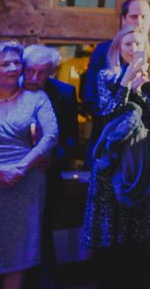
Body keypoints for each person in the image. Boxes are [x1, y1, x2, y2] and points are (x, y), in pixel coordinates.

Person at [81, 27, 150, 289]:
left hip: (139, 165)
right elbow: (107, 116)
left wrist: (139, 91)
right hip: (110, 166)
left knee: (136, 235)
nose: (132, 49)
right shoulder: (106, 76)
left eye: (137, 44)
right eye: (127, 44)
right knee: (110, 234)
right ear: (118, 48)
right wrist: (126, 83)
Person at [0, 42, 58, 289]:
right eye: (5, 63)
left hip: (25, 184)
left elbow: (51, 135)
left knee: (18, 253)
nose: (13, 68)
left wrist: (22, 167)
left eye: (16, 62)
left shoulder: (36, 97)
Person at [22, 45, 79, 289]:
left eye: (42, 73)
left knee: (42, 234)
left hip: (46, 176)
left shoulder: (64, 93)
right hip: (11, 175)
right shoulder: (10, 88)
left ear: (52, 72)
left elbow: (70, 139)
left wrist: (53, 158)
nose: (35, 78)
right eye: (30, 71)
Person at [82, 0, 150, 133]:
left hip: (147, 138)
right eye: (134, 16)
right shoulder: (103, 51)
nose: (139, 22)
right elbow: (91, 96)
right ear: (124, 19)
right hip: (108, 135)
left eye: (144, 17)